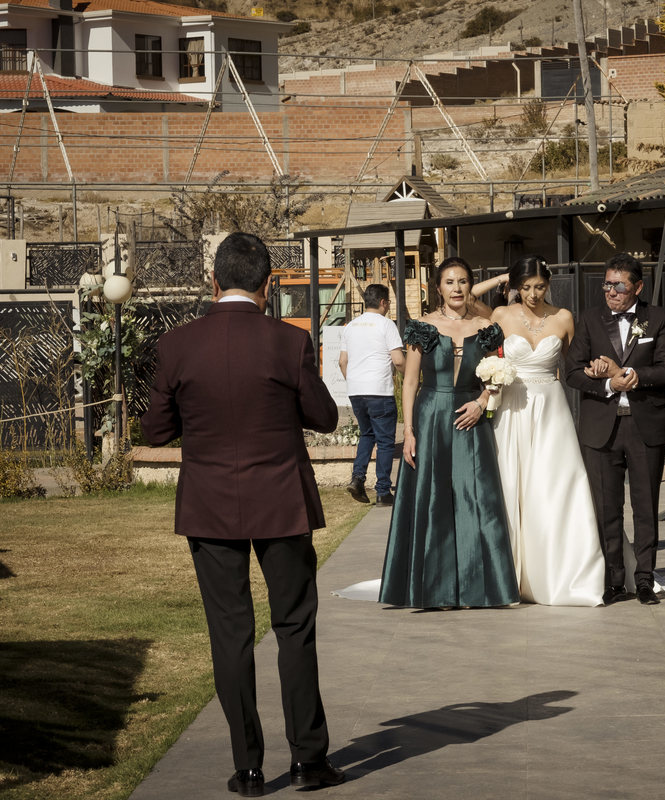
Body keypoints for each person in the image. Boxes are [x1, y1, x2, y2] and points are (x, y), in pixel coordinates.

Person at [141, 232, 346, 797]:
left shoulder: (176, 344)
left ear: (213, 281)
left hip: (209, 505)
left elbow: (155, 431)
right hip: (280, 499)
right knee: (294, 627)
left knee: (229, 634)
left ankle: (249, 768)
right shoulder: (289, 341)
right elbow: (324, 418)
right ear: (269, 284)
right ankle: (309, 759)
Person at [379, 257, 520, 609]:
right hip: (430, 419)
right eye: (449, 282)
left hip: (471, 418)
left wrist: (482, 401)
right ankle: (433, 588)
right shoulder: (422, 327)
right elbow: (410, 381)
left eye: (462, 282)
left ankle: (478, 587)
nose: (456, 288)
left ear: (470, 285)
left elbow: (497, 372)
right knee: (433, 498)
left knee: (477, 498)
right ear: (438, 288)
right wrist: (408, 432)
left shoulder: (487, 326)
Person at [490, 255, 605, 606]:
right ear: (514, 286)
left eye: (539, 286)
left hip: (551, 407)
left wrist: (601, 372)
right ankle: (506, 571)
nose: (533, 294)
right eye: (525, 287)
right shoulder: (500, 315)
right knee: (511, 481)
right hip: (511, 407)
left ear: (548, 284)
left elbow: (573, 367)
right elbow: (486, 355)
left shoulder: (564, 317)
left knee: (554, 484)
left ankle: (561, 570)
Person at [565, 252, 665, 605]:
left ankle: (644, 578)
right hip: (602, 427)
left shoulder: (658, 318)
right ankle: (614, 579)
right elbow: (571, 372)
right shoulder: (589, 320)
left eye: (619, 285)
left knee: (645, 506)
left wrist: (635, 377)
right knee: (606, 508)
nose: (611, 292)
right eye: (607, 285)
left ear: (638, 287)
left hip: (646, 425)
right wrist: (608, 384)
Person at [339, 283, 405, 507]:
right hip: (379, 390)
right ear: (384, 302)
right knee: (386, 442)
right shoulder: (386, 324)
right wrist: (410, 375)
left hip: (356, 390)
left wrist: (355, 381)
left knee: (367, 435)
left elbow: (342, 362)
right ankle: (383, 491)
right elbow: (397, 360)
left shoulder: (349, 326)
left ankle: (358, 478)